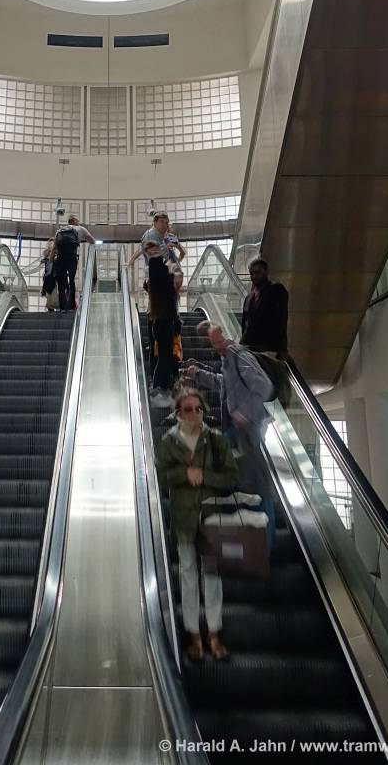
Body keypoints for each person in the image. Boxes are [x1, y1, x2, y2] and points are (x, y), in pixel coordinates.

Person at [156, 388, 238, 661]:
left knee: (213, 578)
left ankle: (214, 633)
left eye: (198, 409)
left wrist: (205, 476)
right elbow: (160, 476)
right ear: (178, 413)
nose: (194, 414)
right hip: (183, 520)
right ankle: (194, 635)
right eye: (188, 409)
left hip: (211, 518)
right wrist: (184, 473)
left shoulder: (215, 440)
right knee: (188, 576)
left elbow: (231, 476)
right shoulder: (168, 442)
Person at [186, 324, 277, 546]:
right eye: (213, 343)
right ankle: (227, 533)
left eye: (218, 341)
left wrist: (244, 413)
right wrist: (199, 374)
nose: (216, 346)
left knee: (257, 482)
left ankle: (267, 540)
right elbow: (223, 384)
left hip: (248, 429)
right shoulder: (227, 358)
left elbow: (264, 386)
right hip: (234, 429)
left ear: (227, 337)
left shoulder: (239, 355)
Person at [147, 249, 178, 408]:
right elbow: (172, 295)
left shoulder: (154, 283)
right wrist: (171, 272)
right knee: (165, 357)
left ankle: (159, 388)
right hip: (165, 323)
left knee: (163, 357)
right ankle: (159, 388)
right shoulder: (164, 283)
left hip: (158, 323)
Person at [241, 258, 289, 358]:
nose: (254, 276)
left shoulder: (276, 290)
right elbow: (245, 324)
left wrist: (282, 348)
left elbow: (282, 319)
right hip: (249, 348)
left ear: (266, 272)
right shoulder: (249, 297)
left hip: (268, 347)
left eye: (258, 272)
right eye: (251, 273)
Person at [54, 215, 95, 311]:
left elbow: (55, 247)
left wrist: (51, 260)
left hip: (60, 258)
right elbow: (92, 240)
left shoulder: (60, 230)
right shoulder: (80, 229)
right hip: (71, 257)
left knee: (61, 283)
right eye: (77, 220)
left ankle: (62, 307)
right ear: (75, 221)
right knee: (71, 280)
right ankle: (71, 305)